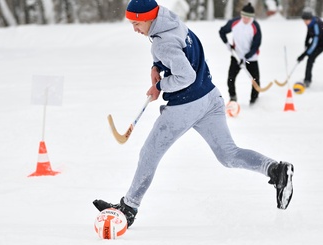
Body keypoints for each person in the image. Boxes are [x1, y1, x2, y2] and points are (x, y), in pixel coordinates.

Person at [93, 0, 294, 228]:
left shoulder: (162, 43)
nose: (134, 29)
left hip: (186, 105)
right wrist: (156, 67)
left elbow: (185, 76)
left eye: (136, 23)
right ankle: (276, 170)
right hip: (210, 97)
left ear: (149, 18)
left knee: (149, 153)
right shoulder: (172, 23)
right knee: (228, 155)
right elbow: (181, 52)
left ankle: (128, 208)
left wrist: (159, 86)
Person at [219, 3, 262, 105]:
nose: (245, 19)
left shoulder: (255, 26)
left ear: (252, 17)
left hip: (250, 58)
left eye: (248, 18)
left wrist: (246, 57)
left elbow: (256, 45)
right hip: (236, 56)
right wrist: (227, 43)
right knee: (231, 78)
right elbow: (222, 31)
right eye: (244, 17)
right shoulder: (235, 22)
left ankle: (254, 100)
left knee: (255, 80)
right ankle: (233, 97)